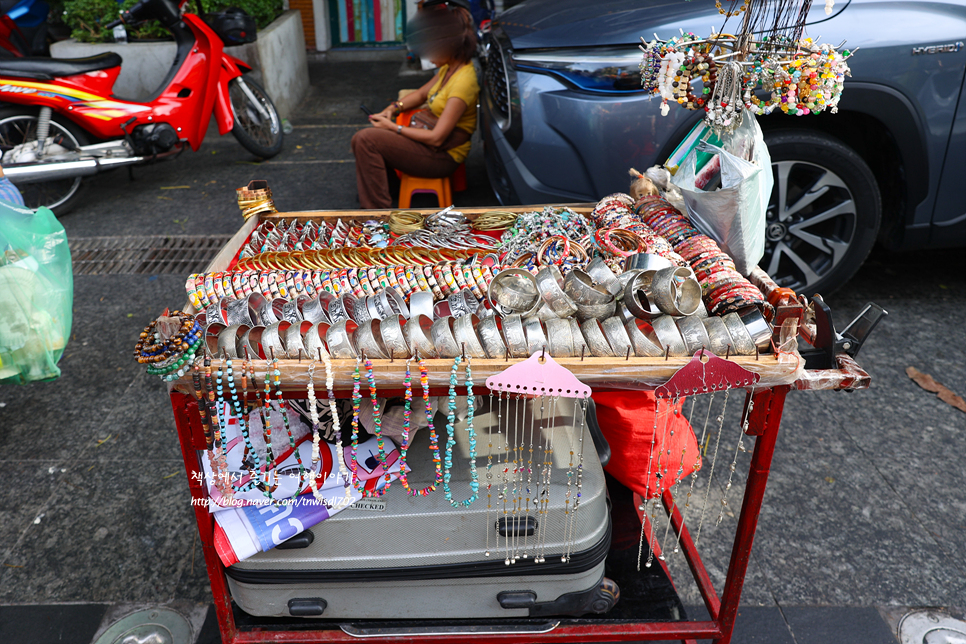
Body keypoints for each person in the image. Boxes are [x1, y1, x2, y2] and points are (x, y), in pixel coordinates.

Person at [351, 1, 479, 209]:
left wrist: (393, 128)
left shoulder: (464, 81)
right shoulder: (449, 69)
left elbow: (437, 139)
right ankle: (387, 192)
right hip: (429, 146)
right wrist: (392, 109)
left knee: (366, 139)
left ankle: (377, 215)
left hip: (443, 157)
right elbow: (421, 94)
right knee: (367, 139)